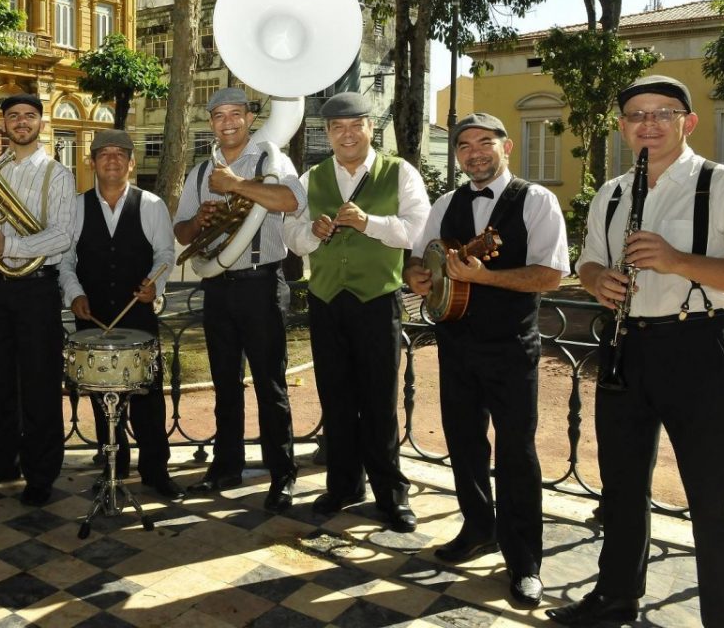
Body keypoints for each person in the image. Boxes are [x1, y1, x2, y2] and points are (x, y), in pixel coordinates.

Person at [547, 76, 724, 628]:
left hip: (699, 348)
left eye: (663, 113)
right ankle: (615, 598)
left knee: (712, 496)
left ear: (688, 122)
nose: (648, 123)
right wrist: (598, 279)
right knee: (621, 486)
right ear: (623, 127)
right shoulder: (611, 193)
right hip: (627, 347)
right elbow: (588, 263)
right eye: (636, 115)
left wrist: (679, 261)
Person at [404, 112, 569, 607]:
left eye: (484, 142)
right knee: (464, 442)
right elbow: (420, 258)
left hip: (510, 347)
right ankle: (478, 528)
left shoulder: (537, 200)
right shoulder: (447, 202)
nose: (474, 152)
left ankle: (525, 561)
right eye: (464, 146)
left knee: (517, 452)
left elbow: (550, 275)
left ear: (507, 147)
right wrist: (418, 277)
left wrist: (486, 278)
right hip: (454, 342)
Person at [282, 92, 429, 531]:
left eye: (355, 126)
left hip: (376, 301)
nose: (347, 135)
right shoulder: (312, 177)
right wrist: (312, 231)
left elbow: (418, 231)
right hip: (327, 300)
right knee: (337, 396)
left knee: (380, 401)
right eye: (337, 128)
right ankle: (344, 485)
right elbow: (291, 236)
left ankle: (391, 494)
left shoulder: (399, 172)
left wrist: (370, 224)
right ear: (327, 134)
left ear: (371, 128)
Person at [174, 87, 303, 513]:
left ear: (249, 117)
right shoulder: (198, 172)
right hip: (217, 287)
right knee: (224, 384)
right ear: (210, 122)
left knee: (270, 384)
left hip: (260, 285)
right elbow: (182, 234)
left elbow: (290, 200)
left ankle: (282, 474)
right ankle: (226, 464)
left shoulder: (269, 159)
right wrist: (200, 220)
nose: (227, 122)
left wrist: (236, 186)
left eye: (235, 114)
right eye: (218, 115)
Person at [0, 94, 77, 507]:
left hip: (35, 289)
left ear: (41, 123)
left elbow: (63, 235)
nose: (21, 122)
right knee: (3, 382)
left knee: (41, 384)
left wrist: (7, 242)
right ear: (4, 124)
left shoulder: (56, 174)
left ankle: (41, 472)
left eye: (29, 116)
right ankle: (3, 461)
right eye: (13, 116)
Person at [59, 129, 184, 502]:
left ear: (131, 162)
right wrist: (75, 294)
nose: (112, 159)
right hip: (92, 317)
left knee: (146, 396)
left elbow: (165, 255)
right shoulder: (75, 206)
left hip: (138, 317)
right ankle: (114, 467)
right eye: (103, 154)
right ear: (92, 162)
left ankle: (156, 471)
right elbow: (66, 260)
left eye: (120, 154)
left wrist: (154, 288)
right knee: (102, 397)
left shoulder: (151, 205)